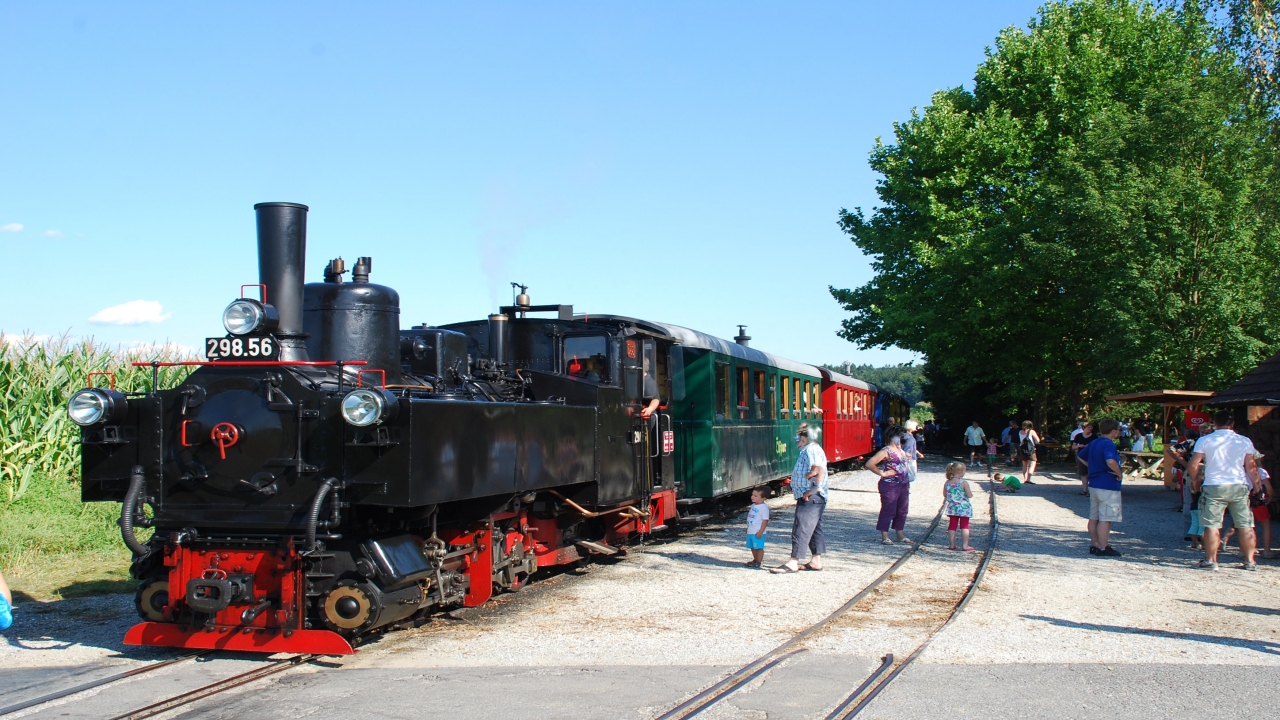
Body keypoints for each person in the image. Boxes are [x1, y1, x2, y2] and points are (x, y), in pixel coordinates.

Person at [1186, 410, 1262, 571]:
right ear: (1232, 424)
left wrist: (1195, 479)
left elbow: (1193, 465)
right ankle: (1250, 561)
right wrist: (1257, 486)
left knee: (1212, 525)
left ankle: (1211, 560)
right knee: (1245, 524)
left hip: (1214, 485)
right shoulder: (1244, 441)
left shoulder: (1205, 440)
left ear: (1214, 423)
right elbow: (1251, 467)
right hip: (1238, 485)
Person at [772, 423, 828, 573]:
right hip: (814, 496)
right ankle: (816, 560)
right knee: (814, 528)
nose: (799, 442)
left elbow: (818, 468)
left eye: (802, 440)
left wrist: (813, 489)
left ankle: (793, 562)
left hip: (811, 496)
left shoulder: (811, 449)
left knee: (801, 527)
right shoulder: (810, 448)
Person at [1079, 418, 1124, 556]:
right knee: (1106, 517)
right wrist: (1119, 473)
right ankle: (1104, 546)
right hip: (1107, 484)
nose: (1119, 432)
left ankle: (1095, 543)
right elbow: (1110, 460)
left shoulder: (1094, 442)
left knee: (1094, 517)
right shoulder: (1109, 444)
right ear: (1113, 431)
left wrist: (1092, 467)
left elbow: (1081, 456)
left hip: (1094, 484)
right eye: (1118, 430)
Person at [866, 424, 911, 545]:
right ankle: (885, 536)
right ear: (892, 436)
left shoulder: (900, 450)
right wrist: (882, 473)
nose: (902, 438)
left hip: (903, 484)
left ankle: (900, 535)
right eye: (900, 436)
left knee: (902, 509)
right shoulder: (885, 451)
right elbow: (869, 464)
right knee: (888, 509)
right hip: (890, 485)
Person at [943, 462, 977, 551]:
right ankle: (965, 545)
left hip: (952, 507)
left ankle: (952, 545)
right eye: (964, 470)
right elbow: (969, 495)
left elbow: (945, 494)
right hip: (964, 507)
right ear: (959, 472)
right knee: (964, 526)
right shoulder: (964, 483)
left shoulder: (947, 482)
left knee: (952, 525)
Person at [744, 487, 770, 568]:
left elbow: (765, 520)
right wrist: (748, 528)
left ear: (763, 498)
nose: (752, 497)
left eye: (755, 496)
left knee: (758, 547)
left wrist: (761, 532)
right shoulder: (753, 506)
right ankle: (755, 559)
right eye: (752, 495)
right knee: (752, 546)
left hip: (758, 531)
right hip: (751, 530)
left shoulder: (764, 508)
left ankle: (759, 561)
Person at [1071, 422, 1097, 496]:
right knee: (1083, 473)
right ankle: (1085, 490)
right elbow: (1073, 447)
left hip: (1091, 456)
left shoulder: (1094, 436)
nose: (1090, 429)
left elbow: (1097, 446)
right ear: (1083, 428)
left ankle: (1091, 490)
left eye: (1091, 427)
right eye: (1089, 427)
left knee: (1091, 472)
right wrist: (1079, 446)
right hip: (1081, 456)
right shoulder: (1078, 436)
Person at [1018, 420, 1040, 485]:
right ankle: (1028, 479)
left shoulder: (1020, 432)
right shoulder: (1031, 431)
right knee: (1033, 463)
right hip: (1030, 450)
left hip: (1022, 449)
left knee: (1024, 464)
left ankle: (1025, 479)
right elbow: (1038, 440)